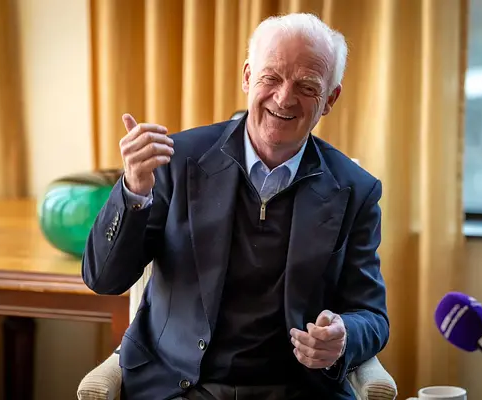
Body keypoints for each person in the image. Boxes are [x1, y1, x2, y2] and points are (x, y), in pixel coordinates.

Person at [82, 12, 389, 400]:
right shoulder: (176, 161)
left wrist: (343, 338)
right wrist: (133, 191)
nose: (284, 98)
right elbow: (103, 279)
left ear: (330, 99)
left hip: (295, 390)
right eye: (271, 77)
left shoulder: (355, 190)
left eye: (307, 86)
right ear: (247, 77)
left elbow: (372, 316)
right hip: (179, 387)